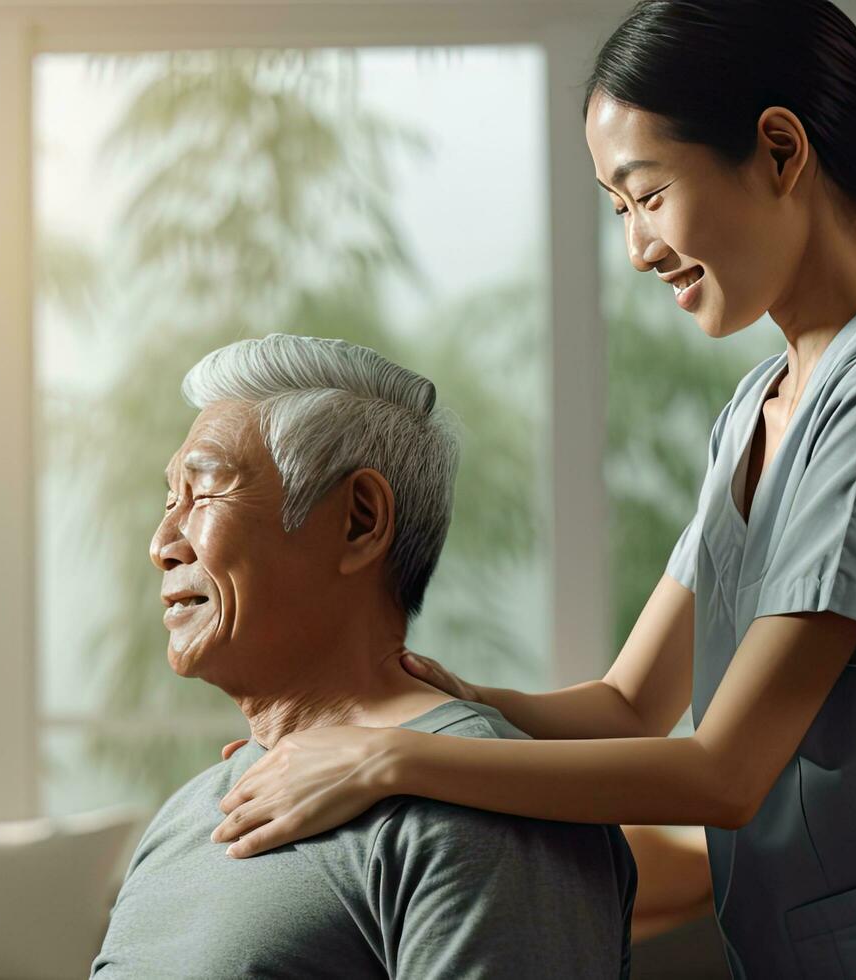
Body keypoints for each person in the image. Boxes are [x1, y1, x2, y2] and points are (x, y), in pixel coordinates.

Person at [204, 3, 856, 977]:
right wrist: (431, 704)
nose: (636, 247)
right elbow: (623, 704)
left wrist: (391, 760)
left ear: (778, 150)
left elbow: (723, 771)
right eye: (616, 209)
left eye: (645, 194)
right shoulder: (754, 409)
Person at [91, 334, 637, 978]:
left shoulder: (487, 806)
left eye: (205, 493)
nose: (163, 544)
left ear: (358, 519)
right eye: (168, 501)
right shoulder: (187, 812)